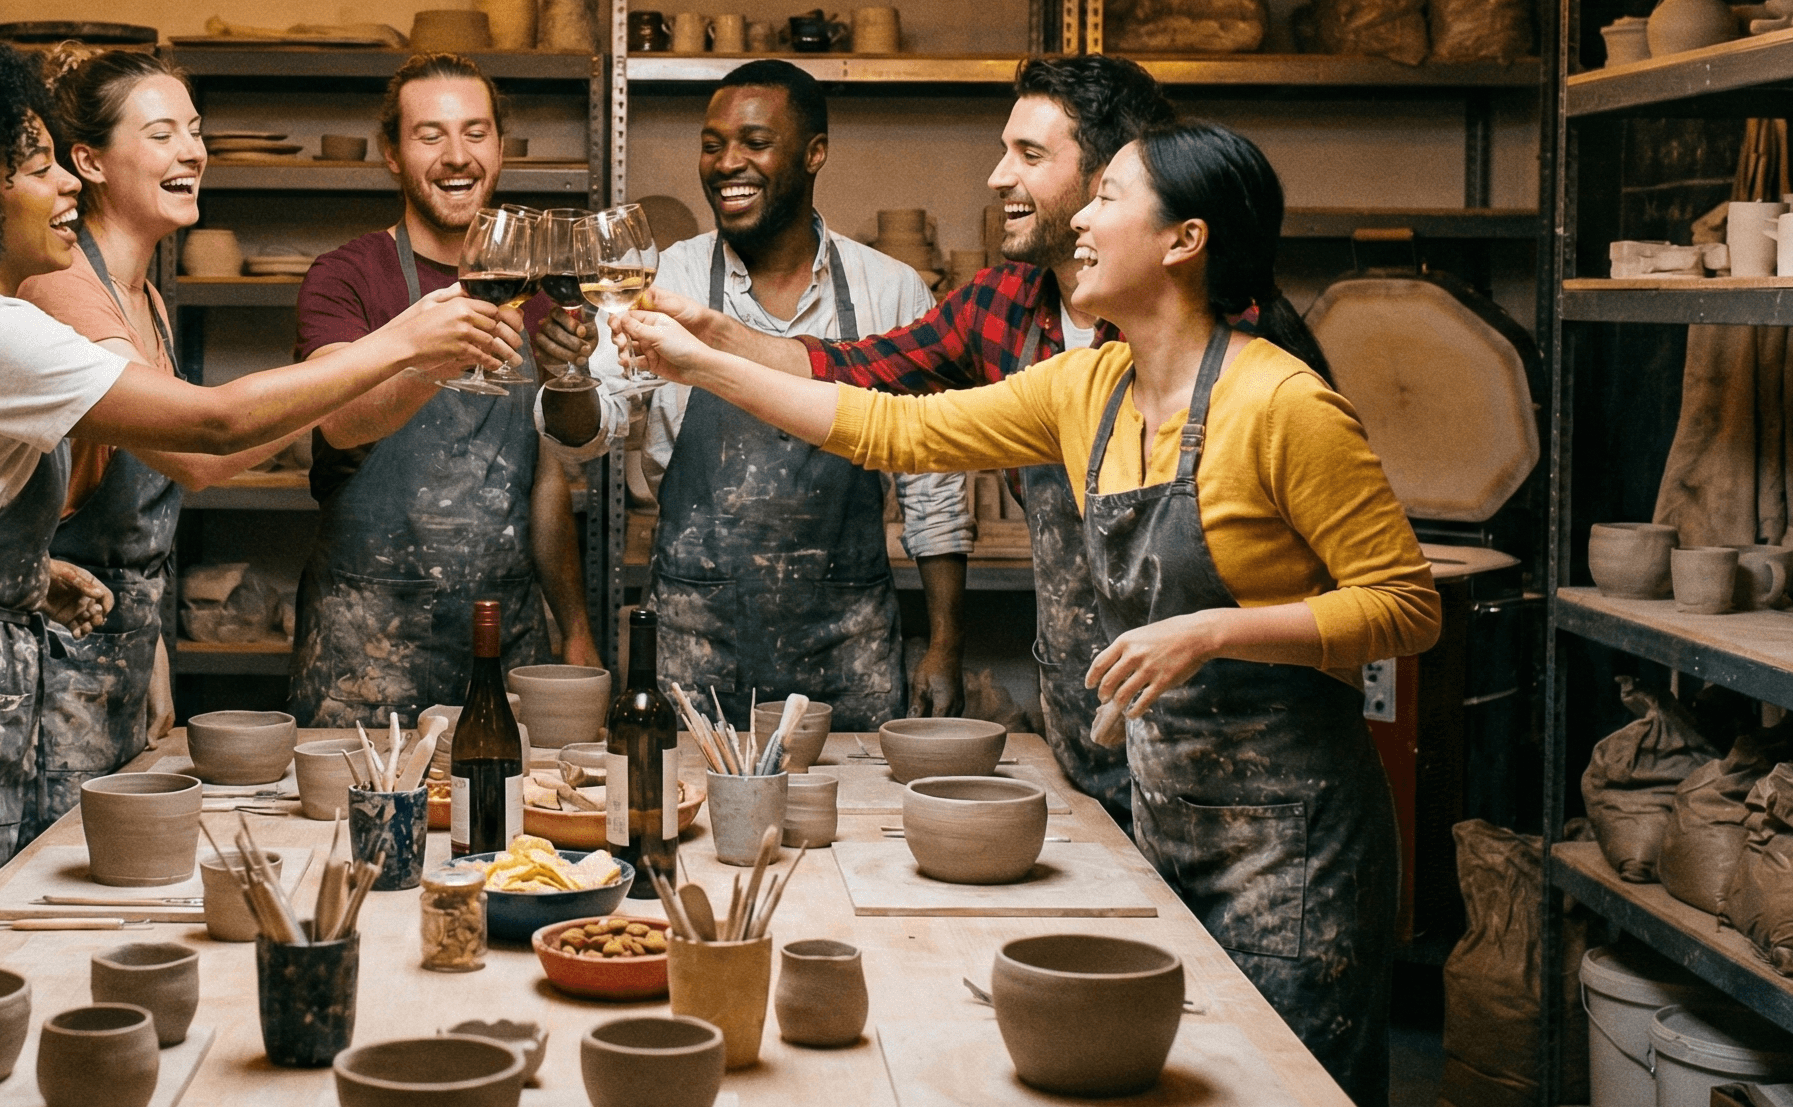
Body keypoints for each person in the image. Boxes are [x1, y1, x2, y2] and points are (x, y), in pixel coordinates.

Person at [616, 120, 1436, 1107]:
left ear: (1183, 241)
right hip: (1158, 813)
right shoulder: (1086, 384)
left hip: (1291, 845)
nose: (1077, 222)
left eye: (1107, 200)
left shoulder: (1281, 403)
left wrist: (1215, 629)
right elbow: (890, 428)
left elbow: (1404, 607)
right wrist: (703, 358)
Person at [0, 45, 515, 1008]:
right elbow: (213, 432)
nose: (61, 183)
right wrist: (401, 341)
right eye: (37, 163)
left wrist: (19, 573)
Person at [631, 55, 1175, 822]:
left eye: (1028, 155)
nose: (994, 178)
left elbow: (1370, 594)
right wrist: (714, 338)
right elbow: (876, 399)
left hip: (1201, 730)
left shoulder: (1225, 343)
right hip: (1083, 715)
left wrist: (945, 639)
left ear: (1113, 180)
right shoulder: (1002, 311)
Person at [545, 59, 969, 730]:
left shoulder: (890, 290)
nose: (726, 163)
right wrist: (567, 377)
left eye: (755, 143)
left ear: (814, 153)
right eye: (712, 146)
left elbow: (935, 487)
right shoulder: (666, 276)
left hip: (848, 648)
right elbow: (588, 430)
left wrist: (945, 641)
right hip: (693, 648)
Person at [16, 50, 301, 820]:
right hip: (47, 666)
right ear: (89, 161)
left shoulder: (148, 299)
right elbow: (199, 452)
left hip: (115, 655)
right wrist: (365, 366)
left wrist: (152, 648)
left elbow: (136, 527)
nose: (193, 152)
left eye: (196, 132)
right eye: (163, 134)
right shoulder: (64, 286)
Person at [287, 53, 601, 726]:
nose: (457, 157)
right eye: (430, 135)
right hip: (363, 650)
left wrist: (573, 626)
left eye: (476, 132)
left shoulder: (533, 287)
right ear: (393, 155)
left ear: (499, 148)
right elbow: (342, 422)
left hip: (503, 641)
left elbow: (548, 471)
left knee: (512, 829)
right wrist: (439, 353)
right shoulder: (347, 277)